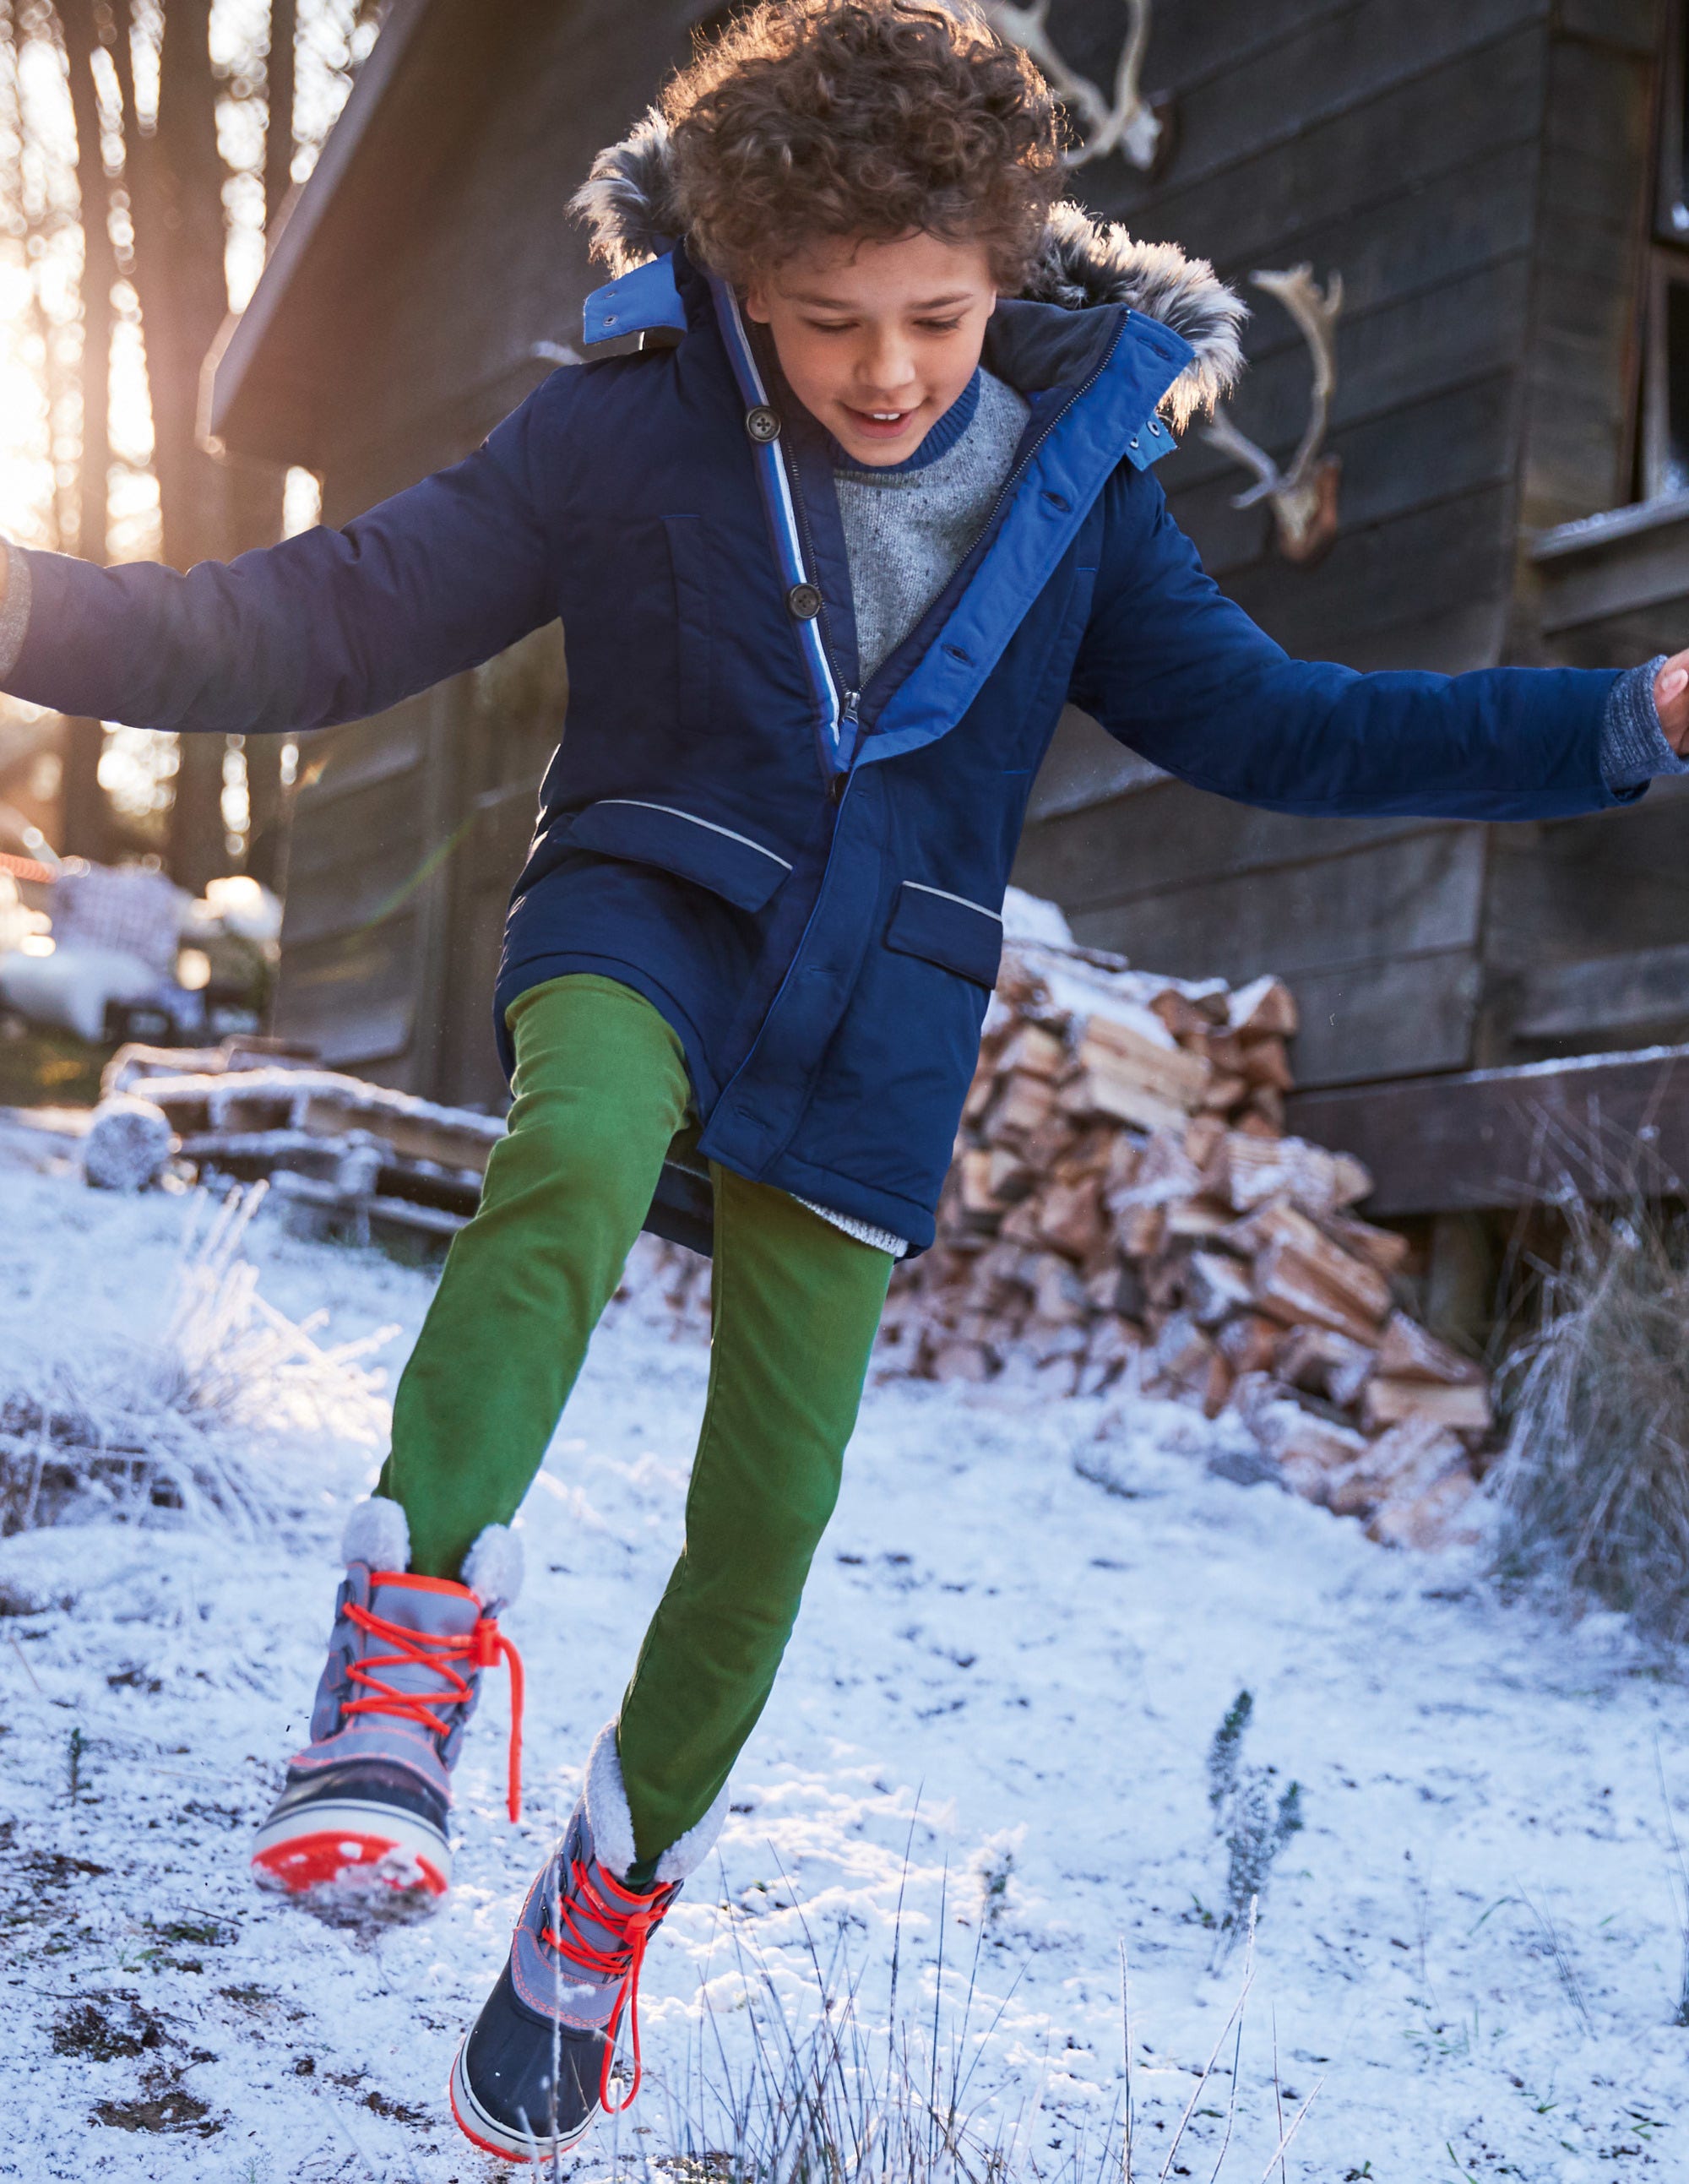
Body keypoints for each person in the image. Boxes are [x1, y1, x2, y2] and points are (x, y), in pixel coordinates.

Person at [5, 0, 1686, 2158]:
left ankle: (594, 1924)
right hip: (651, 904)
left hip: (883, 997)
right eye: (824, 324)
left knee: (772, 1504)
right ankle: (402, 1647)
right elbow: (318, 619)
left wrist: (1617, 718)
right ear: (736, 285)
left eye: (936, 316)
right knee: (579, 1147)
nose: (886, 370)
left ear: (1009, 270)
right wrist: (31, 602)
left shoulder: (1079, 485)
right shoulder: (625, 427)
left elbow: (1291, 728)